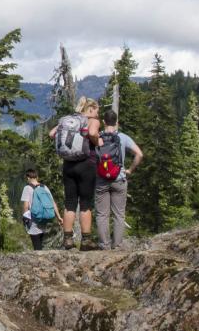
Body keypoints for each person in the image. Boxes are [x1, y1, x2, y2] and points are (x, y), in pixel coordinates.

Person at [50, 96, 100, 250]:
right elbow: (92, 132)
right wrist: (98, 141)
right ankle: (86, 241)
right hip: (86, 165)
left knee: (70, 202)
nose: (98, 114)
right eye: (97, 110)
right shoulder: (92, 120)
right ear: (90, 109)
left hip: (68, 165)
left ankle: (68, 239)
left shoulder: (67, 120)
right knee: (85, 203)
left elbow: (52, 134)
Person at [93, 108, 143, 250]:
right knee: (119, 215)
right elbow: (139, 154)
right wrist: (130, 170)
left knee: (102, 214)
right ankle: (117, 246)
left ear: (103, 122)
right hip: (119, 178)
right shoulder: (123, 137)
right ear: (117, 123)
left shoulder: (98, 137)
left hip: (101, 179)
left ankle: (104, 245)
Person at [19, 168, 61, 250]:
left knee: (36, 246)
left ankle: (38, 261)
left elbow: (25, 206)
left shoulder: (27, 188)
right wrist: (58, 217)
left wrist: (25, 219)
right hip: (44, 219)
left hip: (34, 219)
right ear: (36, 177)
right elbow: (53, 203)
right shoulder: (44, 187)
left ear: (28, 177)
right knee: (41, 244)